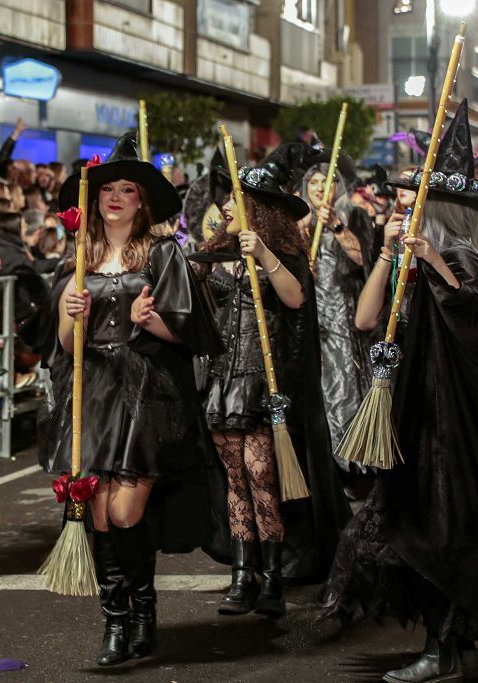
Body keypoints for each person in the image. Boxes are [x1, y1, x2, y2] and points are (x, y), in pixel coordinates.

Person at [322, 101, 478, 682]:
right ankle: (449, 647)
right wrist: (391, 256)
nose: (401, 209)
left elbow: (471, 317)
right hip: (412, 410)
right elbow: (367, 319)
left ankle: (446, 652)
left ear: (438, 210)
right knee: (417, 525)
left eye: (413, 201)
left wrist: (432, 262)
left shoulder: (468, 260)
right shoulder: (408, 259)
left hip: (453, 423)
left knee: (443, 527)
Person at [42, 131, 224, 666]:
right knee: (99, 515)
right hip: (93, 394)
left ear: (142, 201)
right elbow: (65, 346)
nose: (116, 197)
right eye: (107, 189)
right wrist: (69, 316)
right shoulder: (78, 256)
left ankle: (142, 611)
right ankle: (118, 625)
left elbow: (193, 333)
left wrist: (154, 321)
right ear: (93, 200)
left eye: (127, 189)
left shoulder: (163, 253)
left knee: (125, 511)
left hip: (147, 395)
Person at [192, 146, 349, 619]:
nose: (223, 207)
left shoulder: (282, 254)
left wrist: (262, 254)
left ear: (255, 210)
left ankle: (272, 577)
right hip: (222, 379)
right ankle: (243, 575)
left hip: (264, 381)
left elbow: (297, 300)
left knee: (263, 477)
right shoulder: (215, 257)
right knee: (235, 480)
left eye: (234, 201)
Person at [305, 163, 379, 460]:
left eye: (328, 181)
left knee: (345, 387)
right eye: (314, 182)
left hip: (344, 317)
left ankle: (353, 460)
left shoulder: (355, 215)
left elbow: (365, 259)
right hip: (311, 318)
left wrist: (336, 225)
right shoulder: (298, 221)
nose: (320, 188)